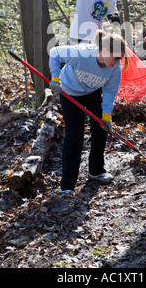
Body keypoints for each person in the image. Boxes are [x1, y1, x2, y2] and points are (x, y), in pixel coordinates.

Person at [49, 30, 127, 195]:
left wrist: (106, 116)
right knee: (74, 135)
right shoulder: (83, 54)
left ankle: (96, 170)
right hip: (70, 92)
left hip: (93, 92)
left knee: (100, 129)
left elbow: (109, 93)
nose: (117, 62)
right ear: (104, 51)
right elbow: (55, 53)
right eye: (115, 58)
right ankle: (68, 185)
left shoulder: (115, 68)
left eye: (120, 58)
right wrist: (55, 78)